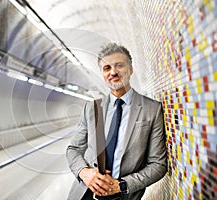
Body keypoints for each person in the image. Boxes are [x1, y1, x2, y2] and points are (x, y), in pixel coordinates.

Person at [66, 43, 167, 200]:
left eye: (119, 65)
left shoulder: (151, 110)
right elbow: (73, 149)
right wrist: (84, 172)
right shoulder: (92, 108)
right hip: (84, 194)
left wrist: (121, 185)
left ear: (130, 69)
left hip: (123, 196)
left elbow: (158, 165)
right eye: (107, 68)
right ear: (102, 74)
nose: (113, 72)